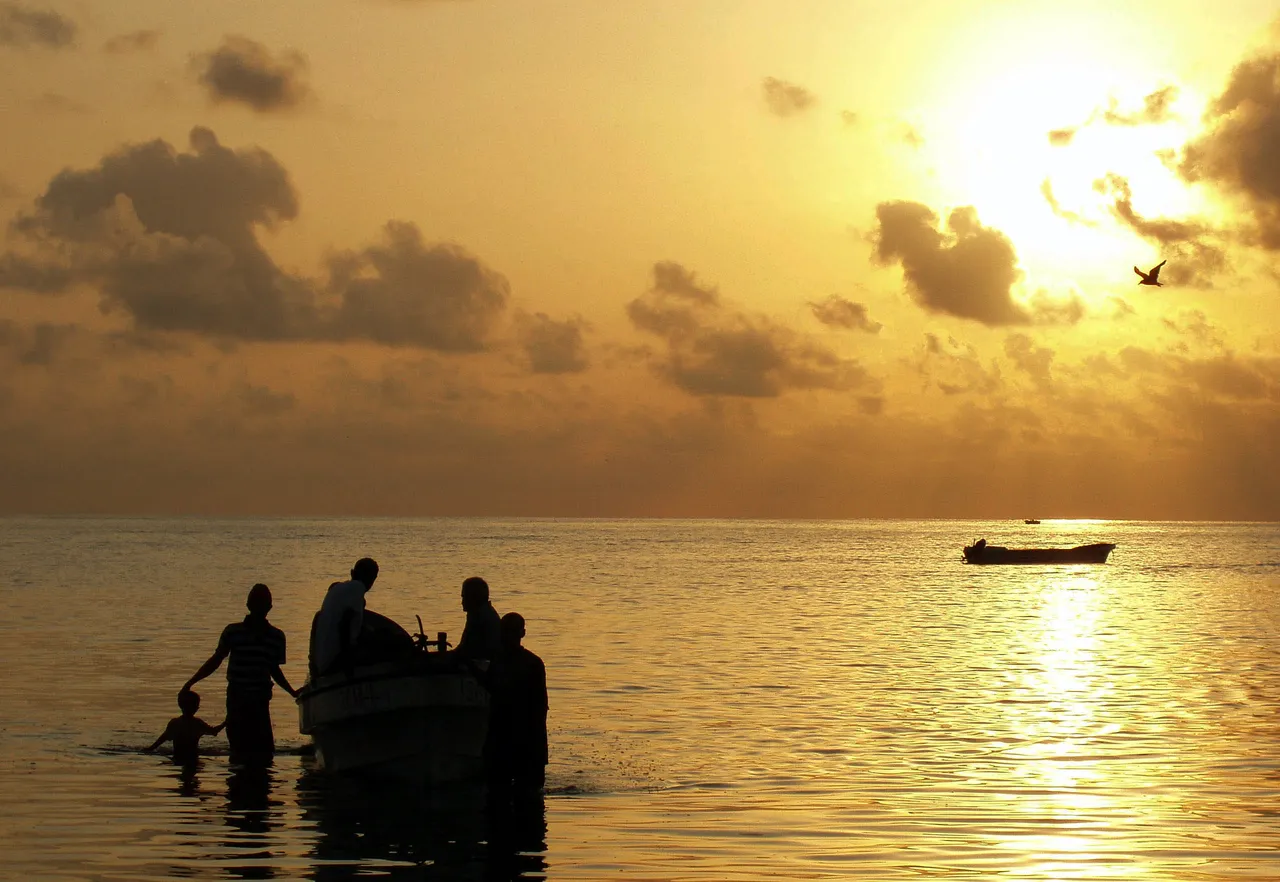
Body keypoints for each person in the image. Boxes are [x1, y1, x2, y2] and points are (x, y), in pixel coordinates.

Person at [181, 583, 296, 764]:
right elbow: (216, 660)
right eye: (257, 603)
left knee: (263, 751)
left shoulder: (276, 636)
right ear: (250, 605)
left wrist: (292, 692)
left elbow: (274, 670)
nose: (259, 607)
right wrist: (192, 681)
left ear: (268, 607)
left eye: (262, 603)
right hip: (238, 698)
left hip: (259, 699)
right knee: (241, 749)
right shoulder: (233, 632)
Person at [486, 612, 549, 799]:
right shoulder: (498, 662)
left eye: (510, 632)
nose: (507, 637)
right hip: (507, 740)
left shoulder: (531, 664)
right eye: (506, 632)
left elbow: (539, 708)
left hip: (522, 741)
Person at [310, 557, 379, 676]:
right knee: (389, 644)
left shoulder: (337, 589)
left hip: (323, 661)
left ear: (352, 573)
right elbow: (345, 626)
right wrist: (348, 669)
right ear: (372, 579)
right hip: (334, 661)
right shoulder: (357, 589)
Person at [147, 690, 224, 765]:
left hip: (177, 758)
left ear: (180, 705)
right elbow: (214, 731)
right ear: (197, 708)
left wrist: (149, 749)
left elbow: (161, 739)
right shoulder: (197, 723)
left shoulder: (175, 723)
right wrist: (226, 722)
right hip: (192, 758)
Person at [454, 576, 501, 661]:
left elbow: (465, 651)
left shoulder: (481, 618)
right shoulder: (477, 614)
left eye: (465, 597)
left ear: (475, 597)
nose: (462, 602)